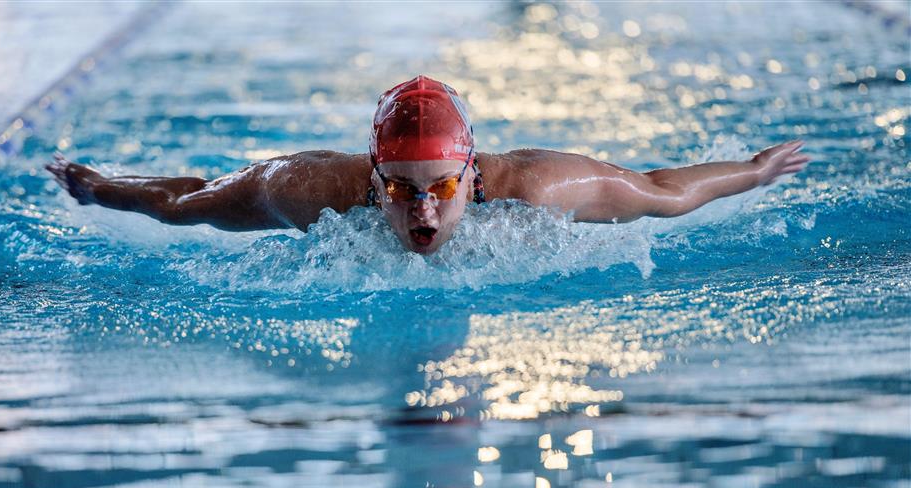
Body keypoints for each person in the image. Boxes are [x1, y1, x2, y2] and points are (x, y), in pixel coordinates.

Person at [47, 75, 809, 255]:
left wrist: (751, 169)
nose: (422, 212)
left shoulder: (541, 188)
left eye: (441, 190)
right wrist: (103, 189)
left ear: (472, 177)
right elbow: (192, 199)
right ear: (371, 182)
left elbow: (662, 192)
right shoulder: (310, 190)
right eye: (402, 193)